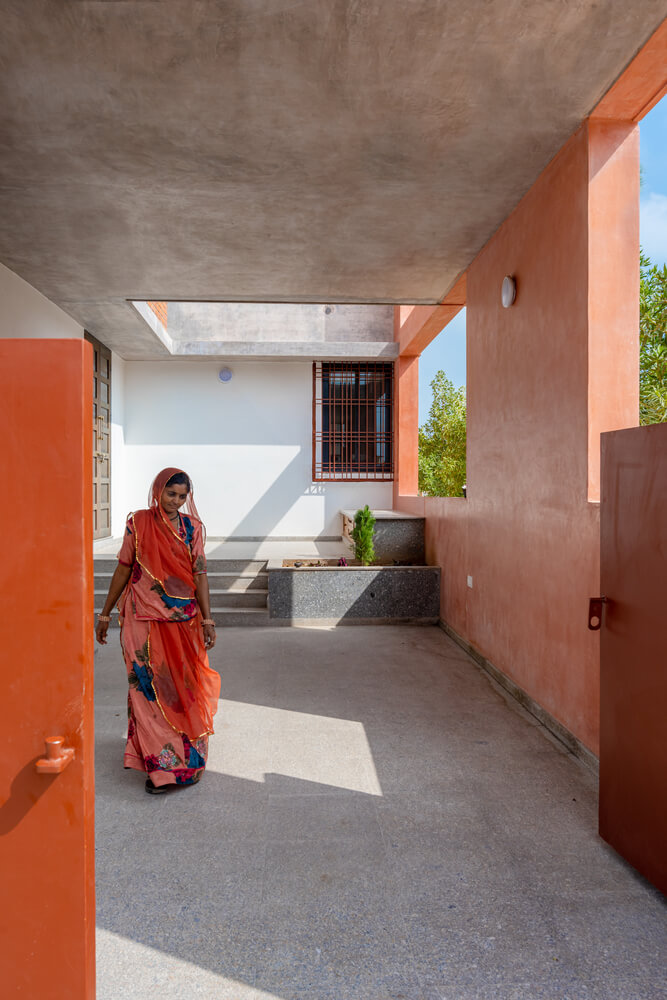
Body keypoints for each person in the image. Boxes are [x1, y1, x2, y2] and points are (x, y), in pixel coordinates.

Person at [95, 468, 221, 794]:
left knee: (181, 689)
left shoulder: (192, 528)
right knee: (147, 690)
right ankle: (159, 766)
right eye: (170, 494)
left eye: (181, 496)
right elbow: (124, 567)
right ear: (158, 490)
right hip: (142, 618)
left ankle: (188, 761)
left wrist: (208, 620)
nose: (175, 501)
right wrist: (105, 613)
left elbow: (200, 574)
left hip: (182, 622)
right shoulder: (138, 523)